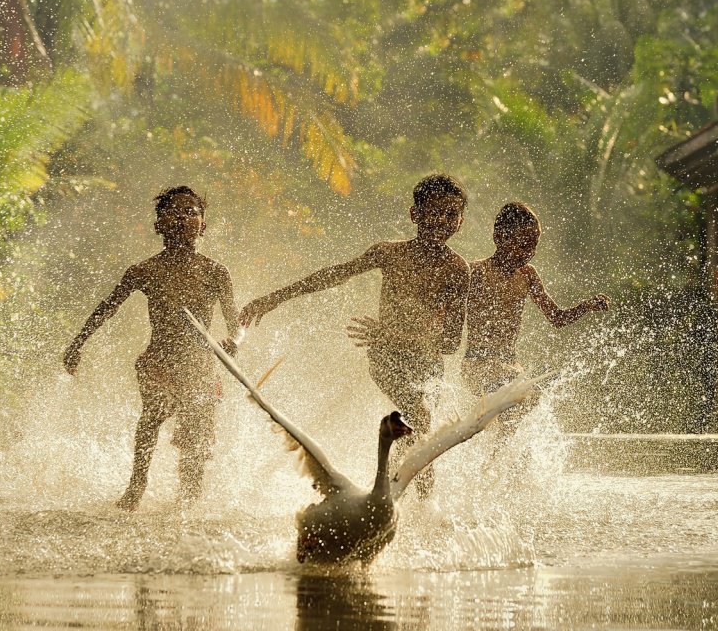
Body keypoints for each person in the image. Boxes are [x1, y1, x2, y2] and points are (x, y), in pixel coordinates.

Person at [240, 174, 471, 498]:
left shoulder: (458, 270)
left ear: (461, 221)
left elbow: (449, 343)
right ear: (414, 214)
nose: (442, 221)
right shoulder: (389, 253)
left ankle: (407, 501)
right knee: (419, 418)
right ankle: (402, 498)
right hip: (385, 356)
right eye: (433, 212)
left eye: (451, 214)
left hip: (426, 365)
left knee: (418, 430)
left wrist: (391, 334)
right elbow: (335, 275)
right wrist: (276, 298)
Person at [63, 186, 240, 510]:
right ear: (158, 225)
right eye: (173, 212)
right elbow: (107, 307)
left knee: (196, 436)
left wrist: (233, 343)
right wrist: (78, 343)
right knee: (153, 416)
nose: (181, 218)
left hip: (200, 366)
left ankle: (188, 498)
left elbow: (236, 325)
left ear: (203, 225)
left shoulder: (216, 272)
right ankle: (136, 485)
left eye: (190, 212)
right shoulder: (144, 271)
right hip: (158, 361)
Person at [462, 202, 609, 439]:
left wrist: (586, 306)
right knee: (516, 398)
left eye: (534, 245)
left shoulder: (527, 275)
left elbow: (556, 317)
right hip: (477, 364)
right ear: (499, 237)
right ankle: (493, 452)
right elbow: (448, 310)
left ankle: (498, 458)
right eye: (523, 244)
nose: (528, 252)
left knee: (527, 402)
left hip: (509, 364)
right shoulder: (475, 272)